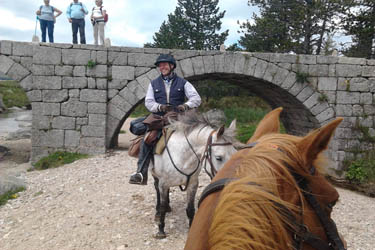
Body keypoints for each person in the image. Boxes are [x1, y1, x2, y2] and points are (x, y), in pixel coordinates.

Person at [129, 54, 202, 185]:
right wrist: (160, 107)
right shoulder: (153, 84)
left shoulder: (183, 83)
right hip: (158, 117)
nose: (162, 67)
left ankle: (197, 167)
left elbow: (196, 99)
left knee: (195, 136)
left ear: (172, 66)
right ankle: (141, 172)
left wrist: (185, 105)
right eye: (160, 65)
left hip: (178, 116)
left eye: (165, 65)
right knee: (148, 138)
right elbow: (149, 102)